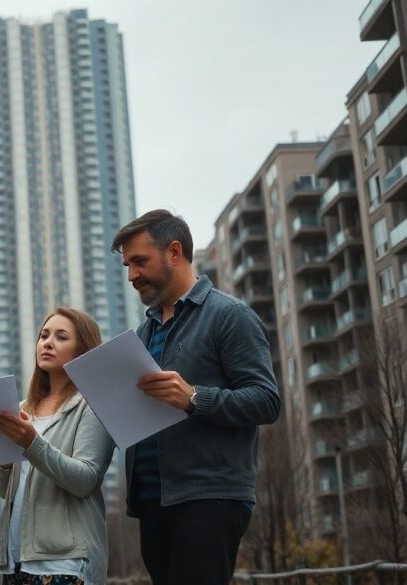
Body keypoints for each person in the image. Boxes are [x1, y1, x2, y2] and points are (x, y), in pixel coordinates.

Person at [111, 209, 281, 585]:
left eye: (139, 261)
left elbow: (267, 401)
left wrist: (193, 398)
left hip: (209, 499)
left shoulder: (230, 316)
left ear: (174, 252)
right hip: (152, 504)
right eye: (126, 265)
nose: (131, 275)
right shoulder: (142, 333)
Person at [0, 307, 114, 585]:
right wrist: (6, 460)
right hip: (16, 560)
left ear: (83, 350)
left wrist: (31, 443)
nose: (47, 342)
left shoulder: (93, 404)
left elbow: (85, 479)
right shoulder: (22, 410)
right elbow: (3, 490)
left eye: (61, 337)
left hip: (65, 563)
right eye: (44, 335)